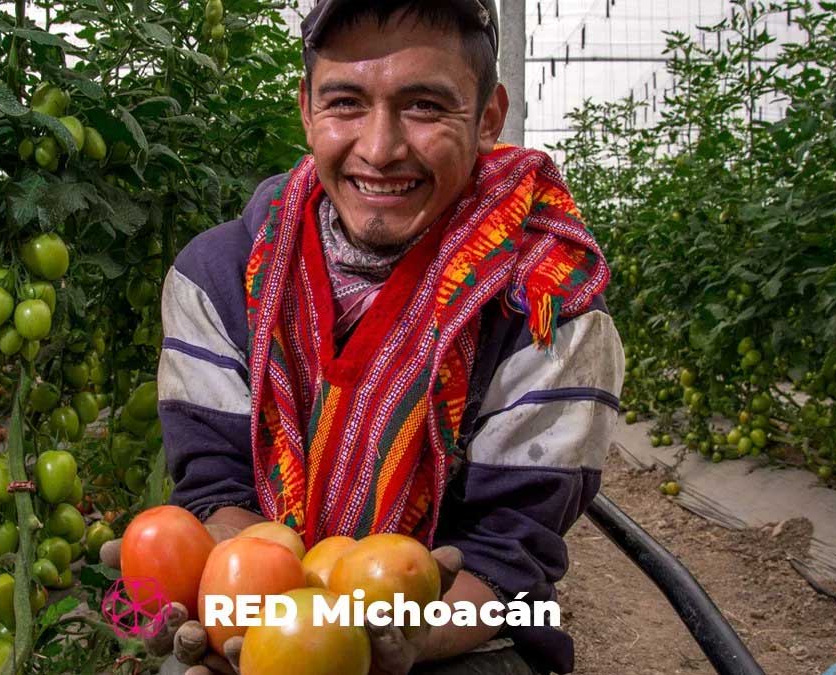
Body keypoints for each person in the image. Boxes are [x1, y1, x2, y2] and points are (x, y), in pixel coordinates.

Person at [102, 1, 624, 673]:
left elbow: (507, 566)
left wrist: (408, 639)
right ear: (306, 109)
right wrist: (223, 589)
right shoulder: (217, 280)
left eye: (425, 106)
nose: (379, 149)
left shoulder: (548, 305)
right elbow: (218, 492)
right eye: (346, 102)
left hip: (465, 635)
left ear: (489, 117)